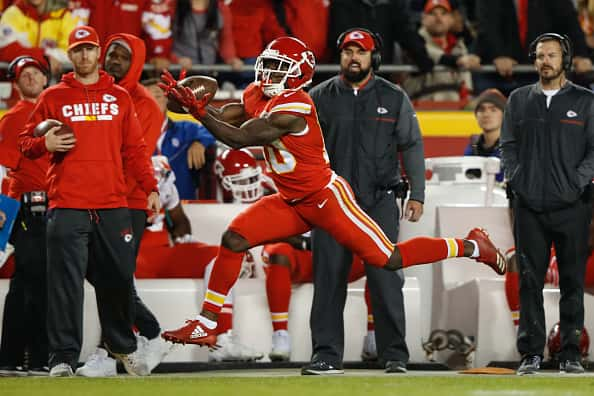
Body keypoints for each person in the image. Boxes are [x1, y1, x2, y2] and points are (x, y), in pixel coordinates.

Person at [158, 37, 507, 374]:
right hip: (291, 200)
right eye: (267, 65)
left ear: (297, 74)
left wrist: (199, 112)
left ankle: (473, 245)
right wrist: (187, 101)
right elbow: (229, 116)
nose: (268, 74)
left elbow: (239, 138)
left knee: (388, 258)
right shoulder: (258, 94)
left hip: (325, 198)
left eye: (278, 68)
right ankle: (206, 322)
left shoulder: (296, 105)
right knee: (234, 238)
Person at [18, 25, 159, 377]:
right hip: (67, 202)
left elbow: (136, 150)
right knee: (65, 285)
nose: (84, 56)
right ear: (71, 55)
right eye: (78, 50)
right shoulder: (53, 96)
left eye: (89, 49)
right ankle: (63, 358)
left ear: (98, 53)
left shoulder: (121, 98)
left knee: (118, 280)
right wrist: (44, 145)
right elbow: (25, 143)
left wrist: (151, 187)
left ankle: (124, 348)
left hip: (113, 202)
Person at [304, 28, 423, 375]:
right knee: (327, 279)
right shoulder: (318, 97)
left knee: (386, 278)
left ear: (375, 58)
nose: (353, 57)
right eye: (347, 51)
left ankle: (395, 356)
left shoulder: (395, 96)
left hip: (379, 201)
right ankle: (325, 355)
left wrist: (417, 193)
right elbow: (304, 149)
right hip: (332, 203)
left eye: (361, 51)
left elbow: (411, 145)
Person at [74, 33, 171, 378]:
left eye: (122, 56)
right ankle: (151, 333)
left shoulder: (144, 103)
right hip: (95, 199)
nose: (114, 60)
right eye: (111, 53)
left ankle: (107, 351)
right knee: (105, 275)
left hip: (127, 202)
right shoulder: (95, 96)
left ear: (137, 62)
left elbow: (135, 159)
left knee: (113, 277)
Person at [500, 33, 594, 375]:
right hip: (529, 207)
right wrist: (520, 179)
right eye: (540, 56)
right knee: (529, 282)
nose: (545, 61)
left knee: (572, 282)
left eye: (552, 55)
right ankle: (531, 354)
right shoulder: (518, 100)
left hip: (573, 206)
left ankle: (570, 353)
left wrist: (575, 183)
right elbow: (507, 146)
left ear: (564, 59)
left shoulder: (586, 101)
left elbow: (593, 152)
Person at [0, 55, 49, 377]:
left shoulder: (57, 110)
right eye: (23, 75)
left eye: (35, 72)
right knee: (29, 283)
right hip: (28, 209)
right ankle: (20, 357)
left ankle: (33, 356)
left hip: (60, 206)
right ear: (15, 84)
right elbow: (4, 166)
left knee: (42, 283)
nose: (30, 77)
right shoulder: (12, 118)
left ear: (46, 78)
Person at [475, 0, 592, 95]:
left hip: (539, 73)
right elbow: (487, 25)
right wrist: (498, 55)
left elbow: (569, 24)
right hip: (497, 75)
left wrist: (580, 55)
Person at [143, 78, 216, 200]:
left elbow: (210, 130)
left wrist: (200, 142)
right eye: (146, 98)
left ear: (168, 100)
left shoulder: (184, 129)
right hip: (143, 207)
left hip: (185, 206)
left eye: (157, 96)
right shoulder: (132, 136)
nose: (152, 102)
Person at [402, 0, 480, 102]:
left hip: (456, 106)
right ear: (423, 18)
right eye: (432, 14)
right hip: (421, 104)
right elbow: (430, 54)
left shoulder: (459, 45)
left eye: (443, 14)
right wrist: (458, 60)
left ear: (451, 19)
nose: (438, 18)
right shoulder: (414, 42)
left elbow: (467, 86)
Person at [0, 0, 78, 74]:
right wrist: (43, 57)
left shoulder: (64, 15)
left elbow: (72, 54)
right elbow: (6, 50)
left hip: (55, 81)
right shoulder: (13, 13)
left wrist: (25, 52)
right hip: (18, 81)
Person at [463, 88, 507, 182]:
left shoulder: (514, 148)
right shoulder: (472, 147)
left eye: (493, 110)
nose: (486, 114)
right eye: (482, 109)